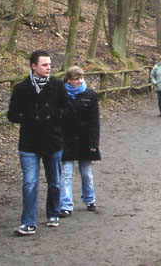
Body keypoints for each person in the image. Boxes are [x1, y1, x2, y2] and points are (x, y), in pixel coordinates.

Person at [7, 50, 67, 235]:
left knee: (54, 181)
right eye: (44, 64)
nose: (49, 67)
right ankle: (28, 222)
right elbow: (12, 114)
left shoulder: (57, 86)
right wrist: (29, 117)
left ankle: (53, 212)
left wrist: (54, 118)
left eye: (50, 64)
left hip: (52, 140)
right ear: (33, 66)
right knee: (30, 182)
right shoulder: (21, 88)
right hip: (29, 142)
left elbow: (66, 110)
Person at [59, 66, 100, 217]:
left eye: (81, 78)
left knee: (86, 173)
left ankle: (90, 199)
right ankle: (66, 204)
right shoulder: (61, 95)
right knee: (66, 174)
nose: (80, 81)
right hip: (66, 140)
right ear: (69, 80)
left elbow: (94, 122)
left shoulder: (90, 95)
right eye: (76, 78)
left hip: (85, 140)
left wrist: (94, 143)